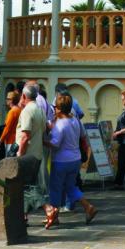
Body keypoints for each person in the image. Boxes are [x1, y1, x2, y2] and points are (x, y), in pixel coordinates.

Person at [43, 93, 98, 229]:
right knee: (70, 187)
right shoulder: (74, 120)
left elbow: (55, 143)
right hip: (75, 158)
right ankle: (88, 206)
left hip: (61, 160)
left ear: (59, 109)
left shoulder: (60, 124)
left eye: (55, 107)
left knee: (55, 187)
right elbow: (81, 135)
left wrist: (44, 141)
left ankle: (53, 215)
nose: (54, 109)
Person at [16, 84, 48, 215]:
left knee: (27, 188)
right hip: (36, 153)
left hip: (27, 155)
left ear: (24, 96)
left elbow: (25, 136)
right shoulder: (39, 109)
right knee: (27, 186)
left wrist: (19, 154)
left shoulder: (28, 110)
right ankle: (23, 217)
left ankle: (48, 208)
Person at [0, 90, 21, 158]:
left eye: (7, 99)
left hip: (10, 141)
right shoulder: (19, 110)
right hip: (17, 140)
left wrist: (0, 141)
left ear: (11, 100)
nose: (6, 100)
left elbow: (7, 128)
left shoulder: (12, 112)